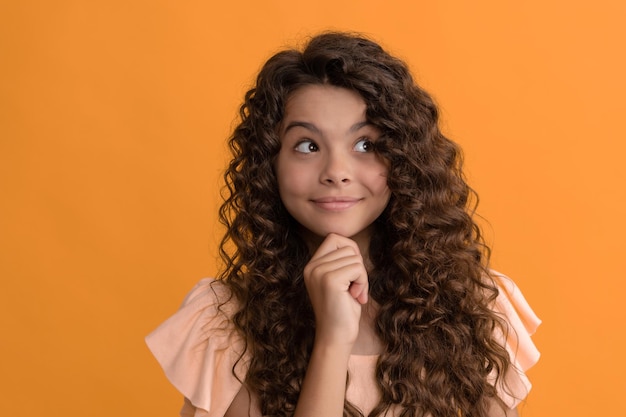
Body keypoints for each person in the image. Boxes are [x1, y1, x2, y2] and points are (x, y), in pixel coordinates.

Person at [146, 32, 540, 417]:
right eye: (308, 145)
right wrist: (332, 341)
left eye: (365, 145)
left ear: (402, 159)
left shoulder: (477, 305)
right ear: (271, 164)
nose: (336, 172)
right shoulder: (223, 324)